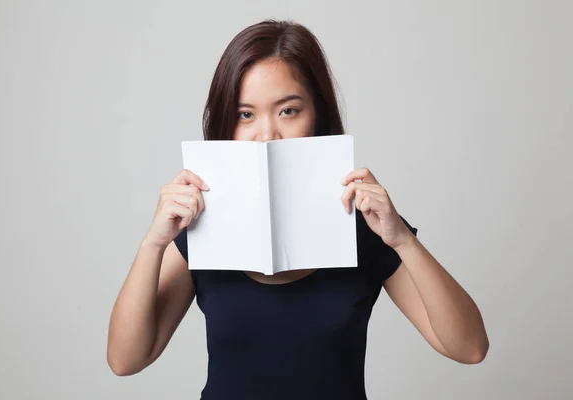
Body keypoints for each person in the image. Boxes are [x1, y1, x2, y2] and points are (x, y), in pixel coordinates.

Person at [107, 19, 489, 399]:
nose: (267, 134)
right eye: (245, 115)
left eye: (288, 111)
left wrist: (402, 240)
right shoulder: (201, 225)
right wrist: (153, 244)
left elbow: (469, 348)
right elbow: (126, 360)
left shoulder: (368, 225)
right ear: (226, 123)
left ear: (317, 114)